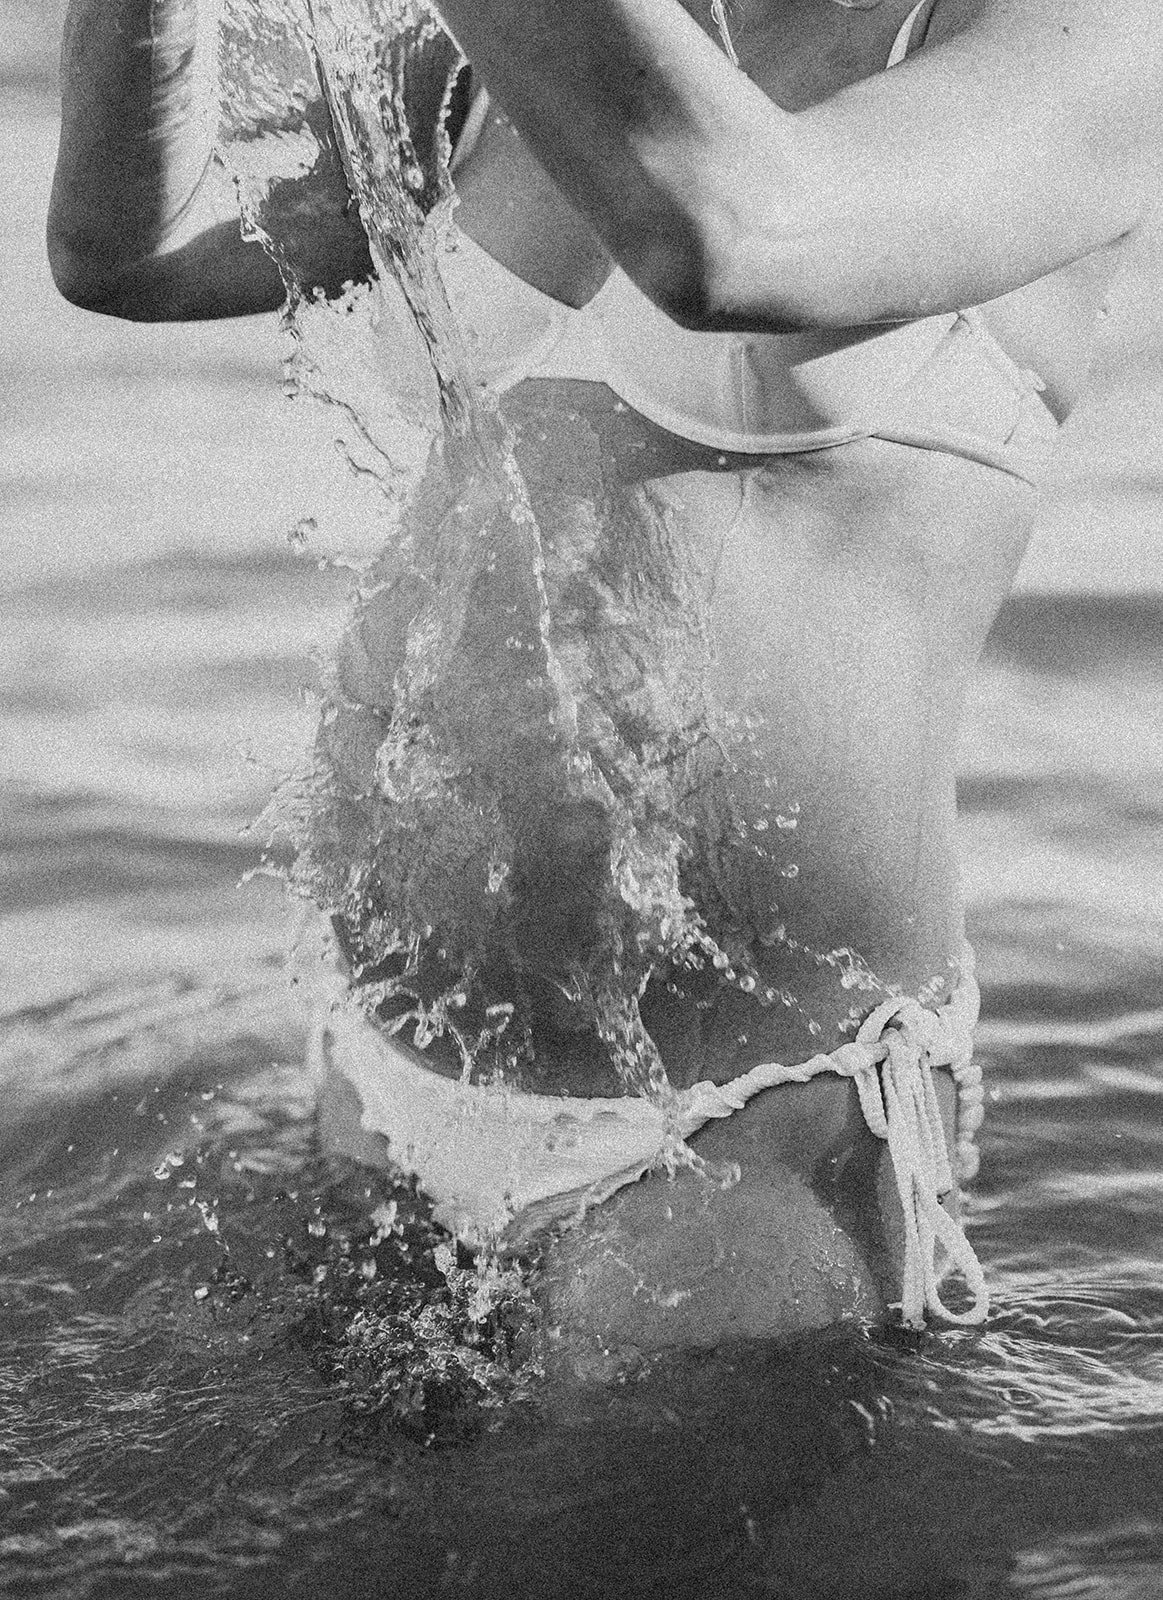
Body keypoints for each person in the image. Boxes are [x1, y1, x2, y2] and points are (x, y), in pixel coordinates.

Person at [48, 0, 1163, 1360]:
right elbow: (129, 253)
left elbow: (727, 233)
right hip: (386, 1073)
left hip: (737, 1129)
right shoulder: (502, 56)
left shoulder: (1093, 36)